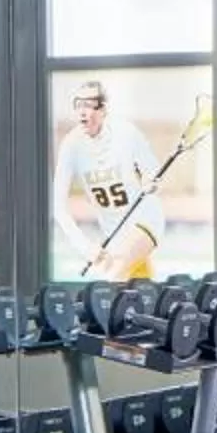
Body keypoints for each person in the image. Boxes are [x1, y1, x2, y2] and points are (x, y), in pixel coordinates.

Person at [52, 79, 165, 281]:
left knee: (113, 278)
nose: (82, 111)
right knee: (136, 292)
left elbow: (153, 171)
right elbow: (58, 207)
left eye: (89, 105)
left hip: (145, 221)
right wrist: (85, 247)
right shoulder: (71, 146)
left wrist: (151, 182)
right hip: (114, 234)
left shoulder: (126, 133)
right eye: (78, 104)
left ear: (103, 109)